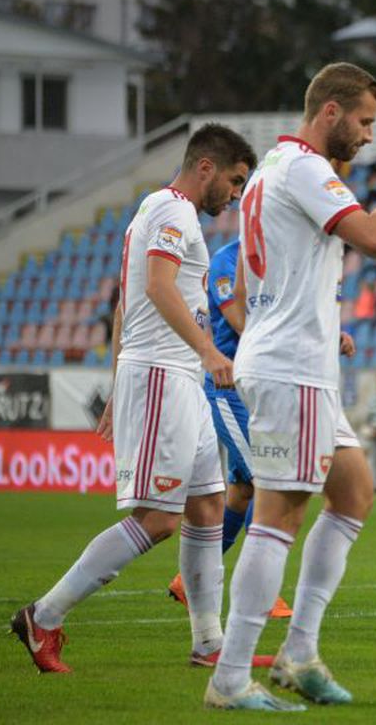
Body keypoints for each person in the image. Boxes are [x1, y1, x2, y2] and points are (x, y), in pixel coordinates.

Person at [206, 62, 376, 711]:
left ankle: (300, 652)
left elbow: (261, 282)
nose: (369, 134)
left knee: (355, 490)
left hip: (293, 358)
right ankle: (229, 679)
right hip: (291, 369)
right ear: (330, 112)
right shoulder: (307, 169)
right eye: (364, 120)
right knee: (279, 512)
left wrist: (307, 321)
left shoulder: (270, 174)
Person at [11, 124, 256, 673]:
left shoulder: (175, 215)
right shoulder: (170, 210)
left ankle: (208, 643)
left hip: (179, 379)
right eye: (235, 181)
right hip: (165, 376)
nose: (236, 194)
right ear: (206, 168)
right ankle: (43, 616)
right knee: (159, 518)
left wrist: (121, 375)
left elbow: (127, 303)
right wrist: (209, 352)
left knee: (208, 507)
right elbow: (156, 288)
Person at [165, 238, 292, 620]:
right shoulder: (228, 258)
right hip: (230, 387)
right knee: (270, 482)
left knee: (242, 492)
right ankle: (260, 588)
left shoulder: (280, 258)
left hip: (264, 388)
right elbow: (236, 316)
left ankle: (188, 581)